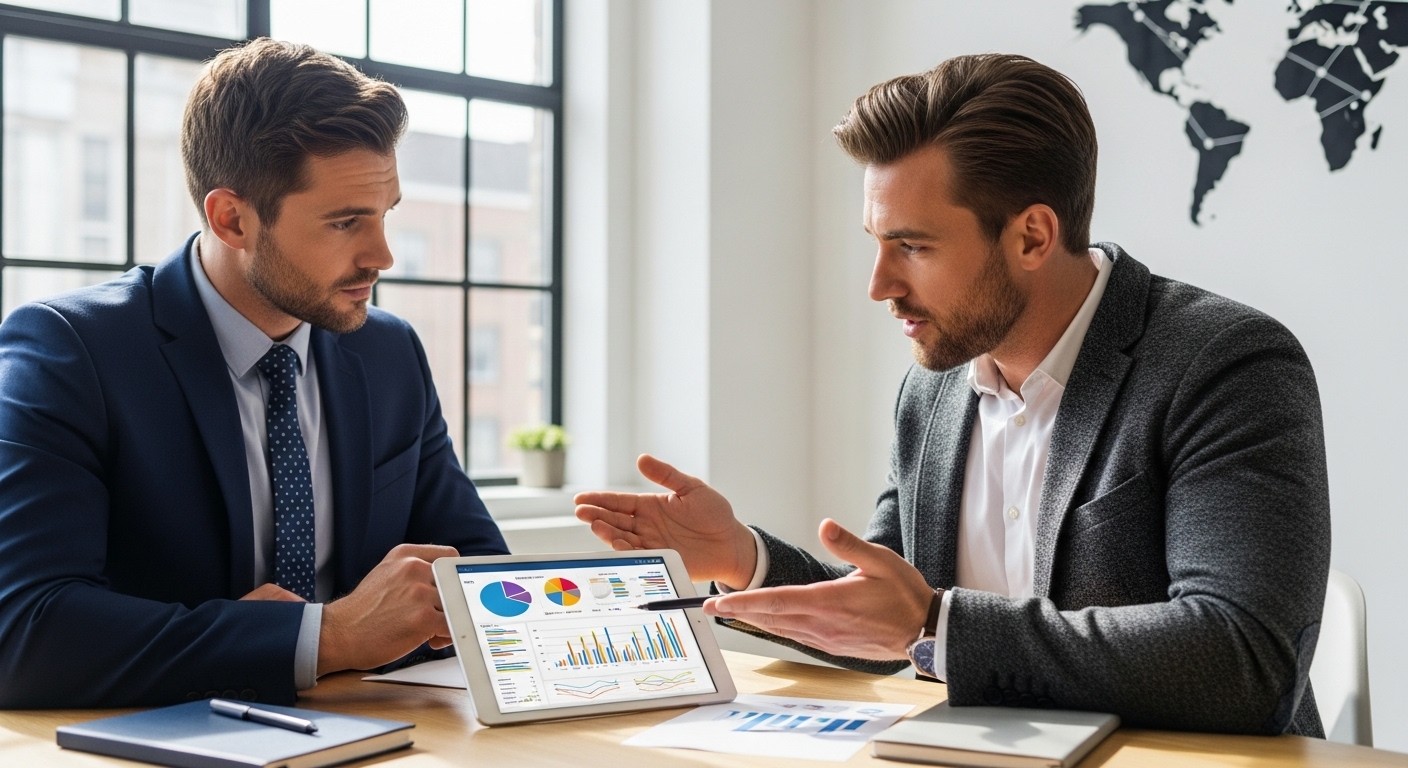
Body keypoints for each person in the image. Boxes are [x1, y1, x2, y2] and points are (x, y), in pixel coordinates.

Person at [575, 54, 1330, 736]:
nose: (879, 286)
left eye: (913, 246)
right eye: (875, 243)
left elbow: (1243, 660)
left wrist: (937, 623)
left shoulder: (1224, 362)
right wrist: (742, 557)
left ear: (1032, 237)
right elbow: (886, 611)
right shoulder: (932, 391)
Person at [0, 39, 507, 708]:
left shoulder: (388, 354)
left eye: (385, 215)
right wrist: (326, 636)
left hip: (381, 730)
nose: (382, 255)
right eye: (345, 222)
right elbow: (24, 634)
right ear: (231, 218)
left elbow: (482, 583)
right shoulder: (71, 352)